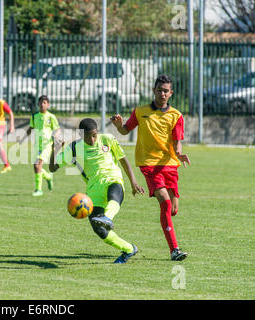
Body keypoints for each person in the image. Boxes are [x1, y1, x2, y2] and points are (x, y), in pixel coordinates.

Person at [110, 74, 190, 261]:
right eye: (159, 90)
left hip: (169, 164)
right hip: (149, 164)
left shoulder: (176, 115)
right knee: (165, 202)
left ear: (171, 93)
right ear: (154, 91)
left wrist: (179, 154)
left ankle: (167, 223)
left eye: (166, 91)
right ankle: (174, 250)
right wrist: (119, 125)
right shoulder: (140, 111)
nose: (162, 93)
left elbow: (178, 142)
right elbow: (125, 130)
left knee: (173, 210)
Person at [50, 118, 145, 264]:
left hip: (112, 178)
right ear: (81, 135)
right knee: (99, 230)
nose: (93, 139)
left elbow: (123, 159)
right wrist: (55, 150)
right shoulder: (74, 148)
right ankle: (129, 248)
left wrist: (133, 182)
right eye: (88, 137)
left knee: (113, 195)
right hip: (93, 190)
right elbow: (53, 168)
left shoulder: (107, 139)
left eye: (95, 135)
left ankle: (108, 218)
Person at [22, 95, 60, 197]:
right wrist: (23, 139)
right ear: (38, 104)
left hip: (47, 145)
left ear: (48, 105)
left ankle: (38, 190)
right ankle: (48, 177)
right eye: (41, 103)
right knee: (36, 167)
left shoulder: (51, 117)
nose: (43, 105)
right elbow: (31, 128)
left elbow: (57, 129)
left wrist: (55, 136)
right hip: (37, 145)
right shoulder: (34, 116)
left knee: (37, 165)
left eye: (45, 103)